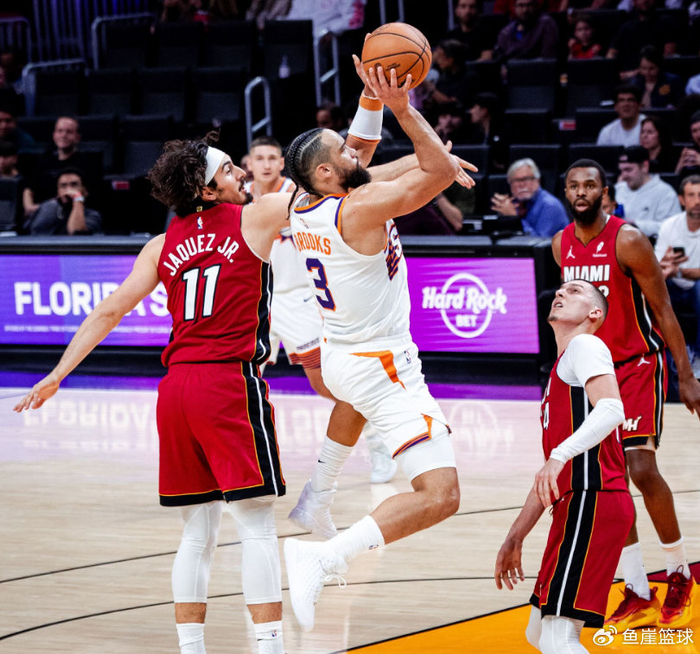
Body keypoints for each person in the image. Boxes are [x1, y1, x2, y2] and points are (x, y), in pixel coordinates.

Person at [14, 133, 296, 654]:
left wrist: (57, 374)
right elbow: (333, 175)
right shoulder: (256, 217)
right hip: (227, 384)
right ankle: (271, 647)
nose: (241, 174)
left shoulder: (161, 245)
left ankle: (192, 649)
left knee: (197, 532)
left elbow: (108, 311)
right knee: (256, 525)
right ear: (207, 190)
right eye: (229, 169)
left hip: (176, 391)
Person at [282, 62, 475, 631]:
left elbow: (367, 158)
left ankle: (318, 494)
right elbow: (436, 173)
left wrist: (371, 97)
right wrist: (402, 109)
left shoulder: (304, 202)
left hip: (341, 355)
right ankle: (325, 556)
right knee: (441, 494)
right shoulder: (360, 208)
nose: (354, 150)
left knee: (355, 404)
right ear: (326, 171)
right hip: (380, 362)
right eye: (342, 150)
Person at [552, 159, 698, 633]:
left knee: (640, 468)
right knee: (608, 482)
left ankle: (680, 575)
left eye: (590, 185)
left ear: (605, 193)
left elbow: (663, 308)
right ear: (566, 192)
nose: (581, 191)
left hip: (635, 367)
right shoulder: (560, 245)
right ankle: (637, 589)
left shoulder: (628, 240)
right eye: (574, 185)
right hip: (593, 372)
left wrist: (686, 374)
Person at [245, 134, 397, 484]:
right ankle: (242, 462)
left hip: (299, 298)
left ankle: (376, 438)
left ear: (281, 163)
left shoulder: (299, 193)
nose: (265, 164)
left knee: (324, 384)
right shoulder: (243, 197)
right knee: (241, 384)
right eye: (259, 158)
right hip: (257, 301)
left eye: (271, 158)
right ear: (248, 163)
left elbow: (360, 175)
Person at [495, 279, 633, 654]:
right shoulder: (564, 367)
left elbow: (612, 408)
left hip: (594, 498)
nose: (560, 293)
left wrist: (559, 454)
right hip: (576, 503)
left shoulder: (585, 345)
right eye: (560, 290)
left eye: (575, 291)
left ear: (595, 313)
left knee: (559, 637)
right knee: (538, 633)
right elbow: (548, 477)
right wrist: (515, 536)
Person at [655, 175, 700, 376]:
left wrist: (679, 270)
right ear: (682, 199)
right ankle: (660, 355)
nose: (697, 201)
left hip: (696, 288)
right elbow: (655, 268)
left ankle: (698, 355)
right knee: (652, 287)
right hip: (673, 285)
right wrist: (665, 262)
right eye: (691, 195)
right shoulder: (669, 225)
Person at [490, 158, 569, 237]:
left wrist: (513, 218)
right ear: (510, 184)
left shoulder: (550, 205)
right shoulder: (515, 203)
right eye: (516, 180)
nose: (522, 184)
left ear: (538, 180)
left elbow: (539, 242)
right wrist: (502, 214)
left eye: (527, 179)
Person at [615, 145, 680, 238]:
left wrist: (635, 226)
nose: (623, 176)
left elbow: (673, 227)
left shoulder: (665, 193)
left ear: (645, 166)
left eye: (628, 170)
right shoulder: (617, 189)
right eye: (621, 171)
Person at [606, 0, 679, 78]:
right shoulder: (625, 28)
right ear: (634, 2)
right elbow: (611, 54)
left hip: (656, 76)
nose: (644, 1)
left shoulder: (667, 23)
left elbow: (668, 55)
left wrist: (645, 71)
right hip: (628, 77)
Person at [24, 168, 102, 235]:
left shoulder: (92, 215)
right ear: (58, 191)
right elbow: (28, 232)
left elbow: (76, 233)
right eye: (63, 186)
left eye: (74, 185)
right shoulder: (46, 207)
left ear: (85, 191)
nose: (69, 190)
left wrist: (77, 198)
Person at [492, 0, 559, 63]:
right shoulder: (506, 32)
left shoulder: (546, 24)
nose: (525, 10)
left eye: (529, 5)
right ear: (514, 8)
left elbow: (548, 57)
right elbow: (499, 57)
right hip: (512, 69)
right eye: (521, 5)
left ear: (536, 6)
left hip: (537, 68)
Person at [468, 91, 508, 172]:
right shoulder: (476, 134)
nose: (471, 111)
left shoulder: (505, 133)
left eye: (474, 107)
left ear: (484, 111)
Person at [675, 110, 700, 181]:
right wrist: (680, 165)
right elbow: (674, 182)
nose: (698, 135)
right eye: (694, 131)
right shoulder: (691, 152)